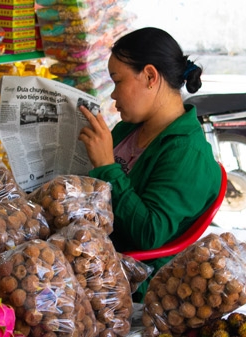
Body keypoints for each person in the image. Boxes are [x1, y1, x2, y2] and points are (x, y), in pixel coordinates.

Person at [78, 27, 222, 301]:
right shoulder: (128, 129)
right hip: (93, 252)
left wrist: (107, 166)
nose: (113, 95)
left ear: (150, 77)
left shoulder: (186, 153)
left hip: (135, 281)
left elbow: (149, 234)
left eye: (117, 81)